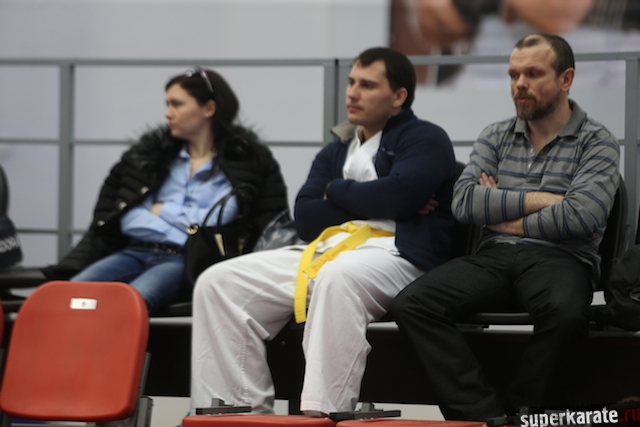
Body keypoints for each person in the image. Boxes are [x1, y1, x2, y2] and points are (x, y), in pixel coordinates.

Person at [191, 47, 457, 416]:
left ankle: (323, 413)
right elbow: (305, 216)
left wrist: (336, 190)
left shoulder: (426, 138)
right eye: (351, 82)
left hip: (398, 255)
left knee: (337, 278)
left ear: (398, 96)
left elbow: (400, 195)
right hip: (326, 249)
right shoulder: (335, 151)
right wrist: (377, 199)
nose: (352, 93)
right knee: (218, 283)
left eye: (367, 85)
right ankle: (238, 415)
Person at [390, 33, 620, 421]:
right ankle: (484, 415)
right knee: (412, 304)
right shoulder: (495, 135)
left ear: (566, 79)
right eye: (514, 74)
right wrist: (542, 199)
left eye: (533, 74)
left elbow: (581, 216)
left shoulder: (598, 142)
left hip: (562, 258)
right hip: (493, 256)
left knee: (566, 314)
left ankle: (521, 411)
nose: (519, 84)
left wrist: (500, 213)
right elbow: (464, 202)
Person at [41, 68, 288, 314]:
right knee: (68, 296)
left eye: (177, 104)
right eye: (168, 104)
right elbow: (129, 218)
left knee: (129, 307)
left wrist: (160, 210)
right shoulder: (150, 156)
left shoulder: (245, 162)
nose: (168, 113)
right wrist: (187, 227)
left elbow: (214, 223)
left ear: (209, 109)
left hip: (184, 261)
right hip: (134, 251)